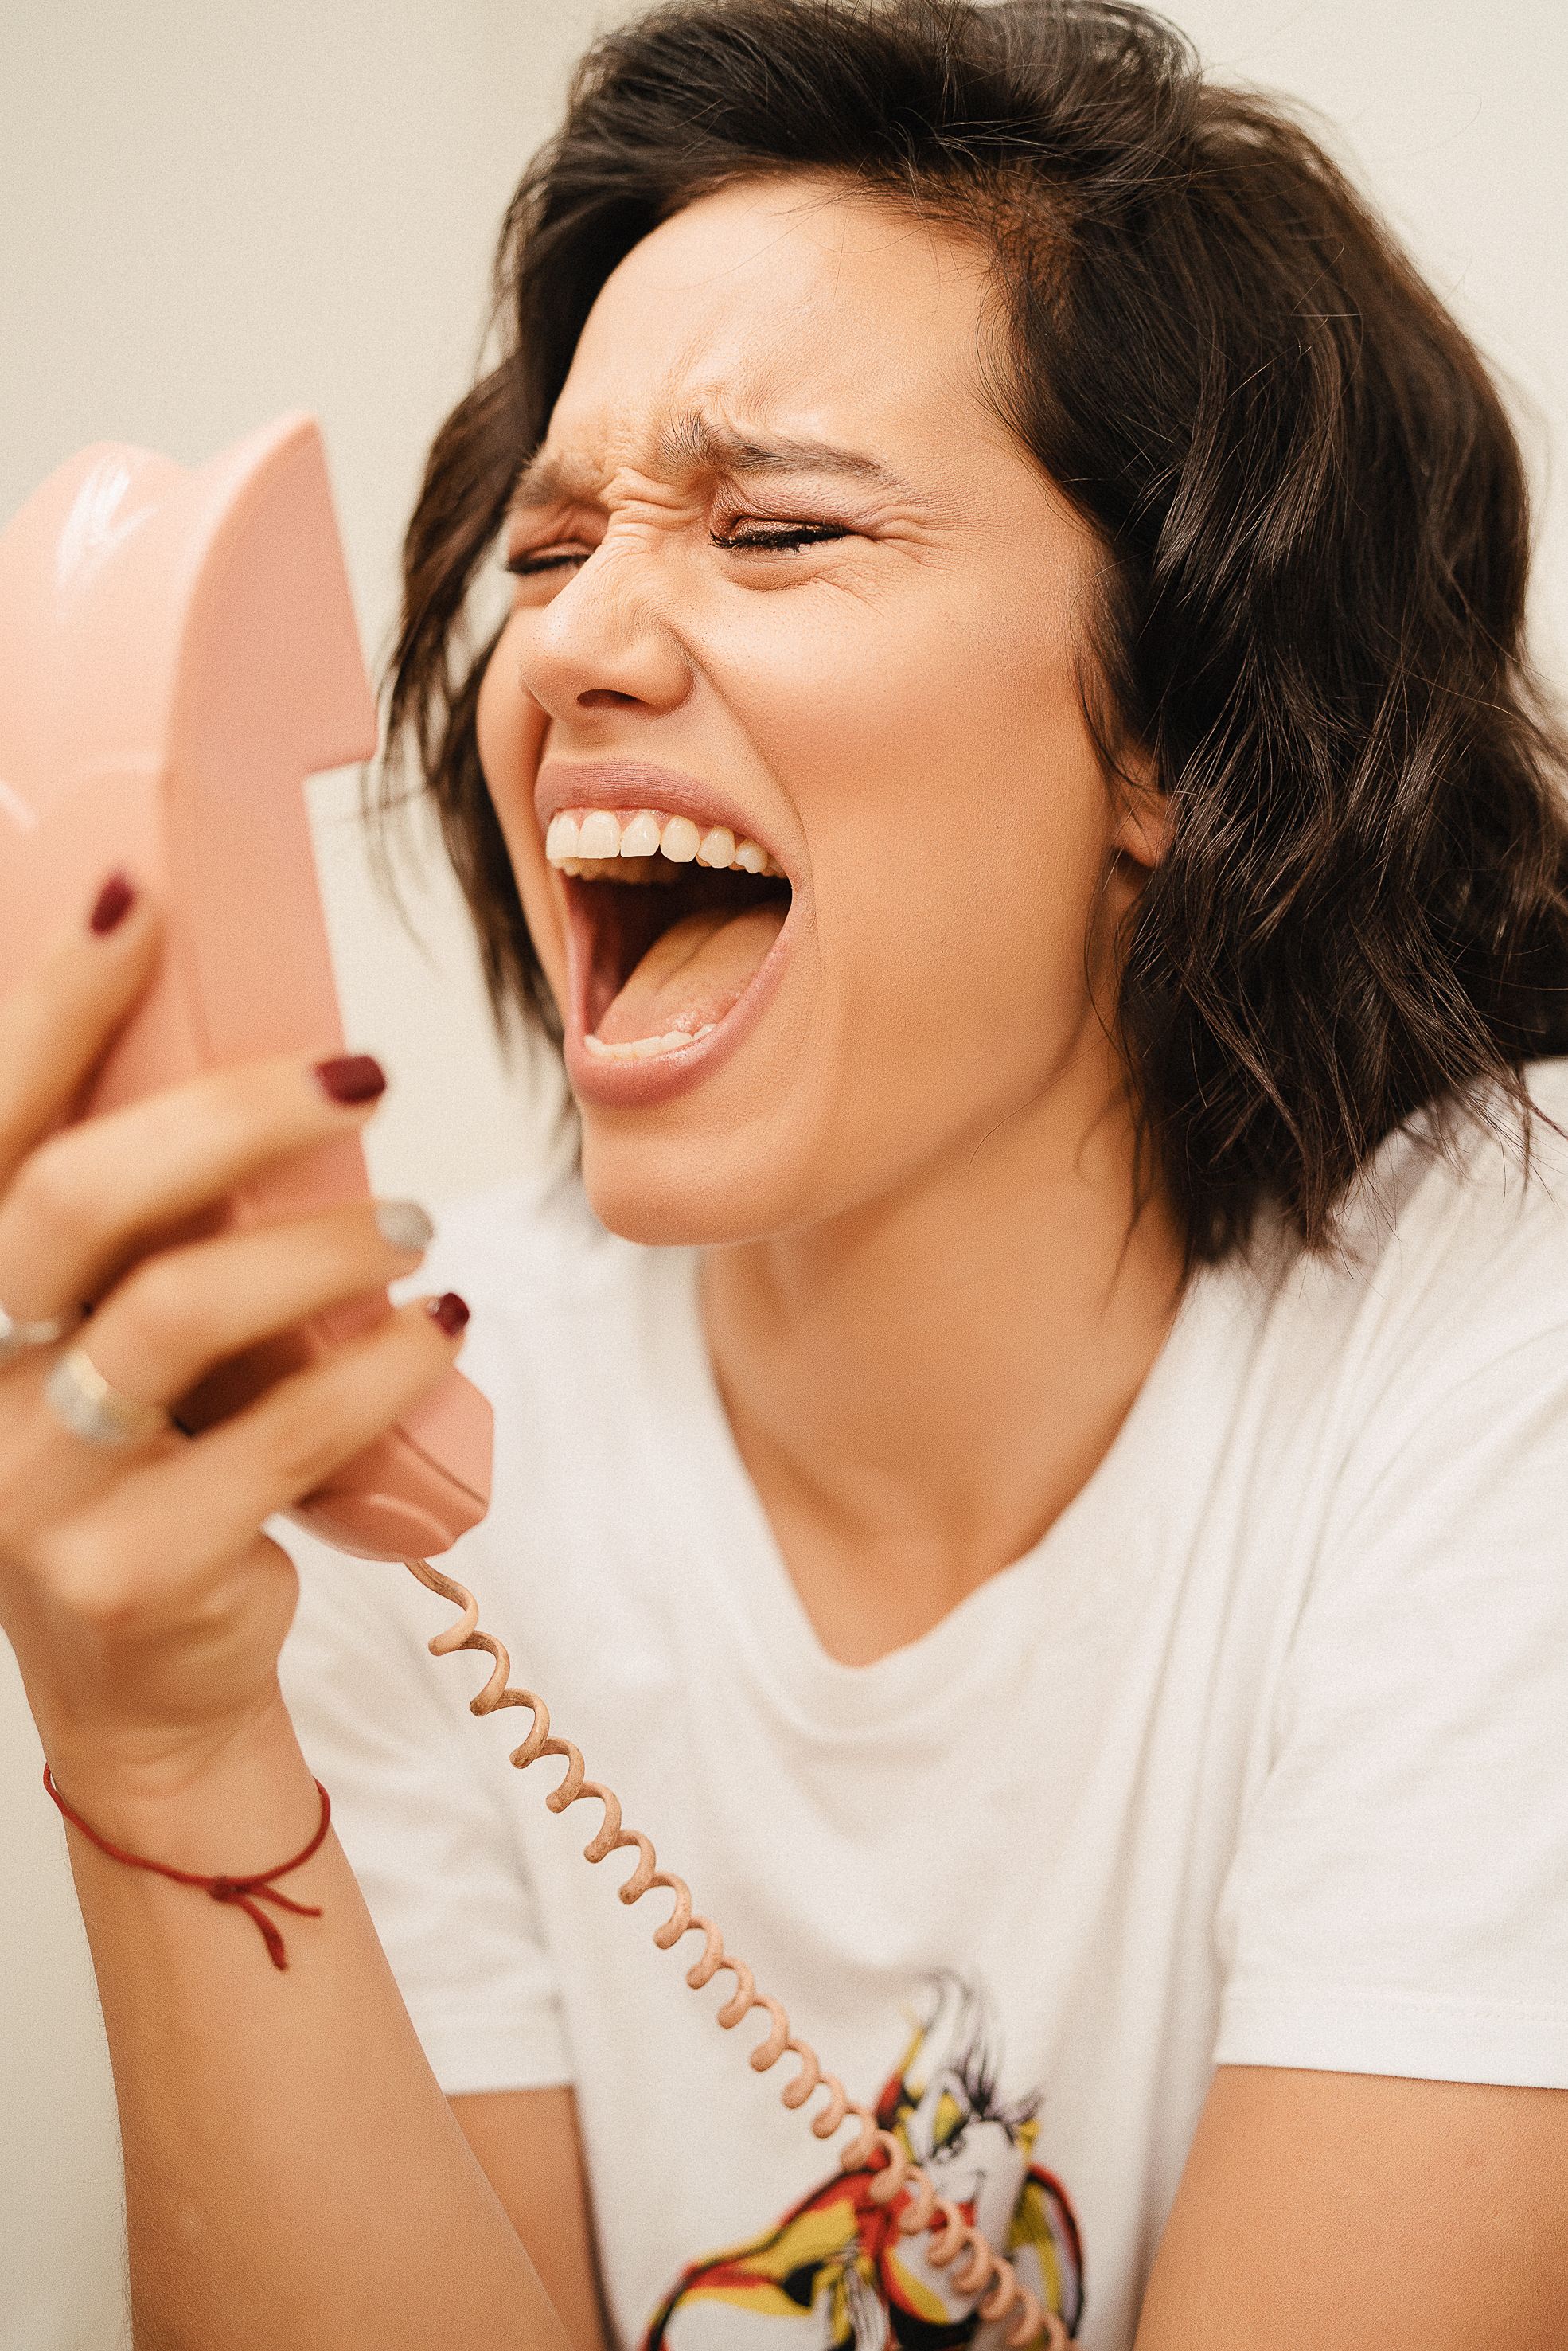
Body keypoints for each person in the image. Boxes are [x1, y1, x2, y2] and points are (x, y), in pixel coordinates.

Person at [2, 0, 1566, 2344]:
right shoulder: (381, 1428)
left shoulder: (1496, 1343)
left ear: (1178, 723)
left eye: (778, 530)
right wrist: (167, 1741)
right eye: (549, 547)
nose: (574, 646)